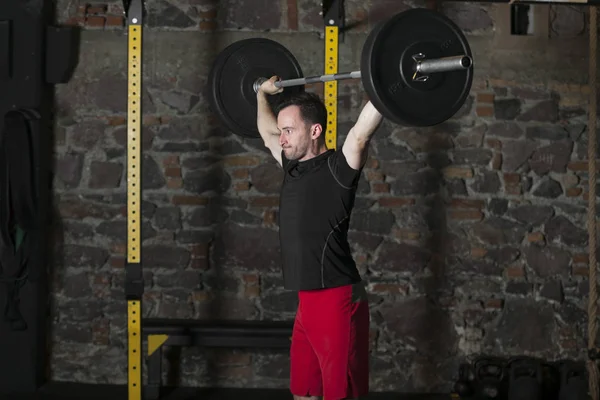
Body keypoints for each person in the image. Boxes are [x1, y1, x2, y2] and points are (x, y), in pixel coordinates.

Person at [256, 76, 383, 400]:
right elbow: (267, 132)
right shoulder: (292, 167)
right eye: (283, 130)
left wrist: (386, 87)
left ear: (314, 131)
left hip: (336, 297)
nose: (282, 138)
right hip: (308, 301)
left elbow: (360, 133)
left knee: (340, 395)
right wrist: (261, 94)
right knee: (304, 392)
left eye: (290, 130)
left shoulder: (339, 169)